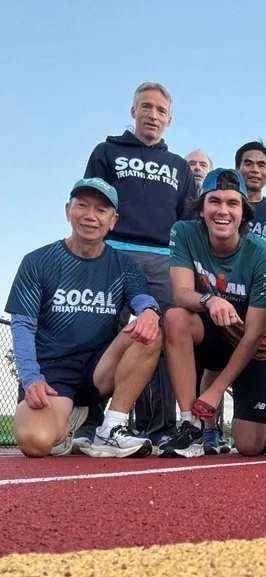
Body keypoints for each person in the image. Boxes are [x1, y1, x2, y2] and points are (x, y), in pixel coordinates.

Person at [7, 178, 161, 458]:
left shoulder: (124, 265)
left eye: (101, 210)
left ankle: (110, 427)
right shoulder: (37, 261)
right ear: (68, 211)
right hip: (52, 372)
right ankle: (69, 421)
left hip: (99, 369)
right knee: (34, 442)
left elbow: (141, 298)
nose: (90, 216)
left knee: (150, 329)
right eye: (82, 206)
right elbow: (23, 326)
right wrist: (31, 379)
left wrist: (149, 311)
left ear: (113, 220)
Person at [83, 81, 196, 451]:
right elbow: (91, 205)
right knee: (100, 332)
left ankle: (157, 427)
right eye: (146, 107)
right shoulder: (107, 151)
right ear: (133, 111)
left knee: (164, 336)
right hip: (114, 252)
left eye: (161, 110)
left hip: (164, 259)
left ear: (169, 120)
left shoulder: (180, 167)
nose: (152, 115)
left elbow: (187, 222)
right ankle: (91, 422)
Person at [161, 169, 266, 458]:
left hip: (250, 343)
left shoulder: (263, 255)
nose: (223, 211)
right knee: (175, 318)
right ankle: (190, 424)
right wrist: (210, 300)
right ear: (201, 209)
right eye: (214, 201)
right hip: (211, 331)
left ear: (243, 212)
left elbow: (254, 334)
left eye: (232, 203)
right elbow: (181, 294)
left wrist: (215, 393)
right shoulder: (184, 232)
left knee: (249, 445)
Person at [236, 140, 266, 244]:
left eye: (261, 165)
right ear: (237, 170)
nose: (255, 170)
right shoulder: (224, 207)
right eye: (248, 164)